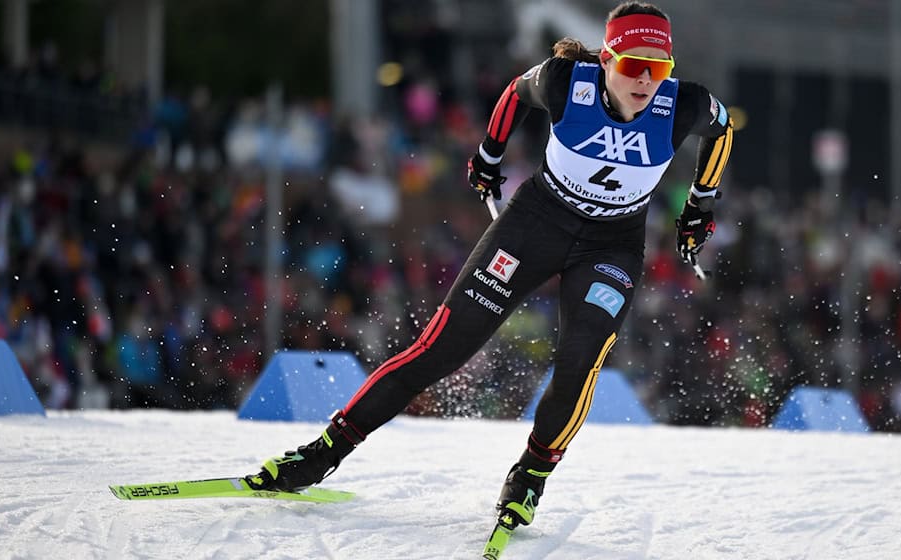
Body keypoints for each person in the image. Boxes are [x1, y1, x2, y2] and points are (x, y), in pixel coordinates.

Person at [246, 1, 734, 531]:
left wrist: (700, 204)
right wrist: (488, 155)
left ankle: (530, 477)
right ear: (607, 60)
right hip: (536, 224)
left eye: (658, 68)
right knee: (440, 350)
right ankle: (321, 453)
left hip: (612, 246)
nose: (645, 81)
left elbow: (723, 131)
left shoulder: (683, 104)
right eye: (633, 66)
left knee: (579, 363)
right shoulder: (566, 81)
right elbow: (513, 94)